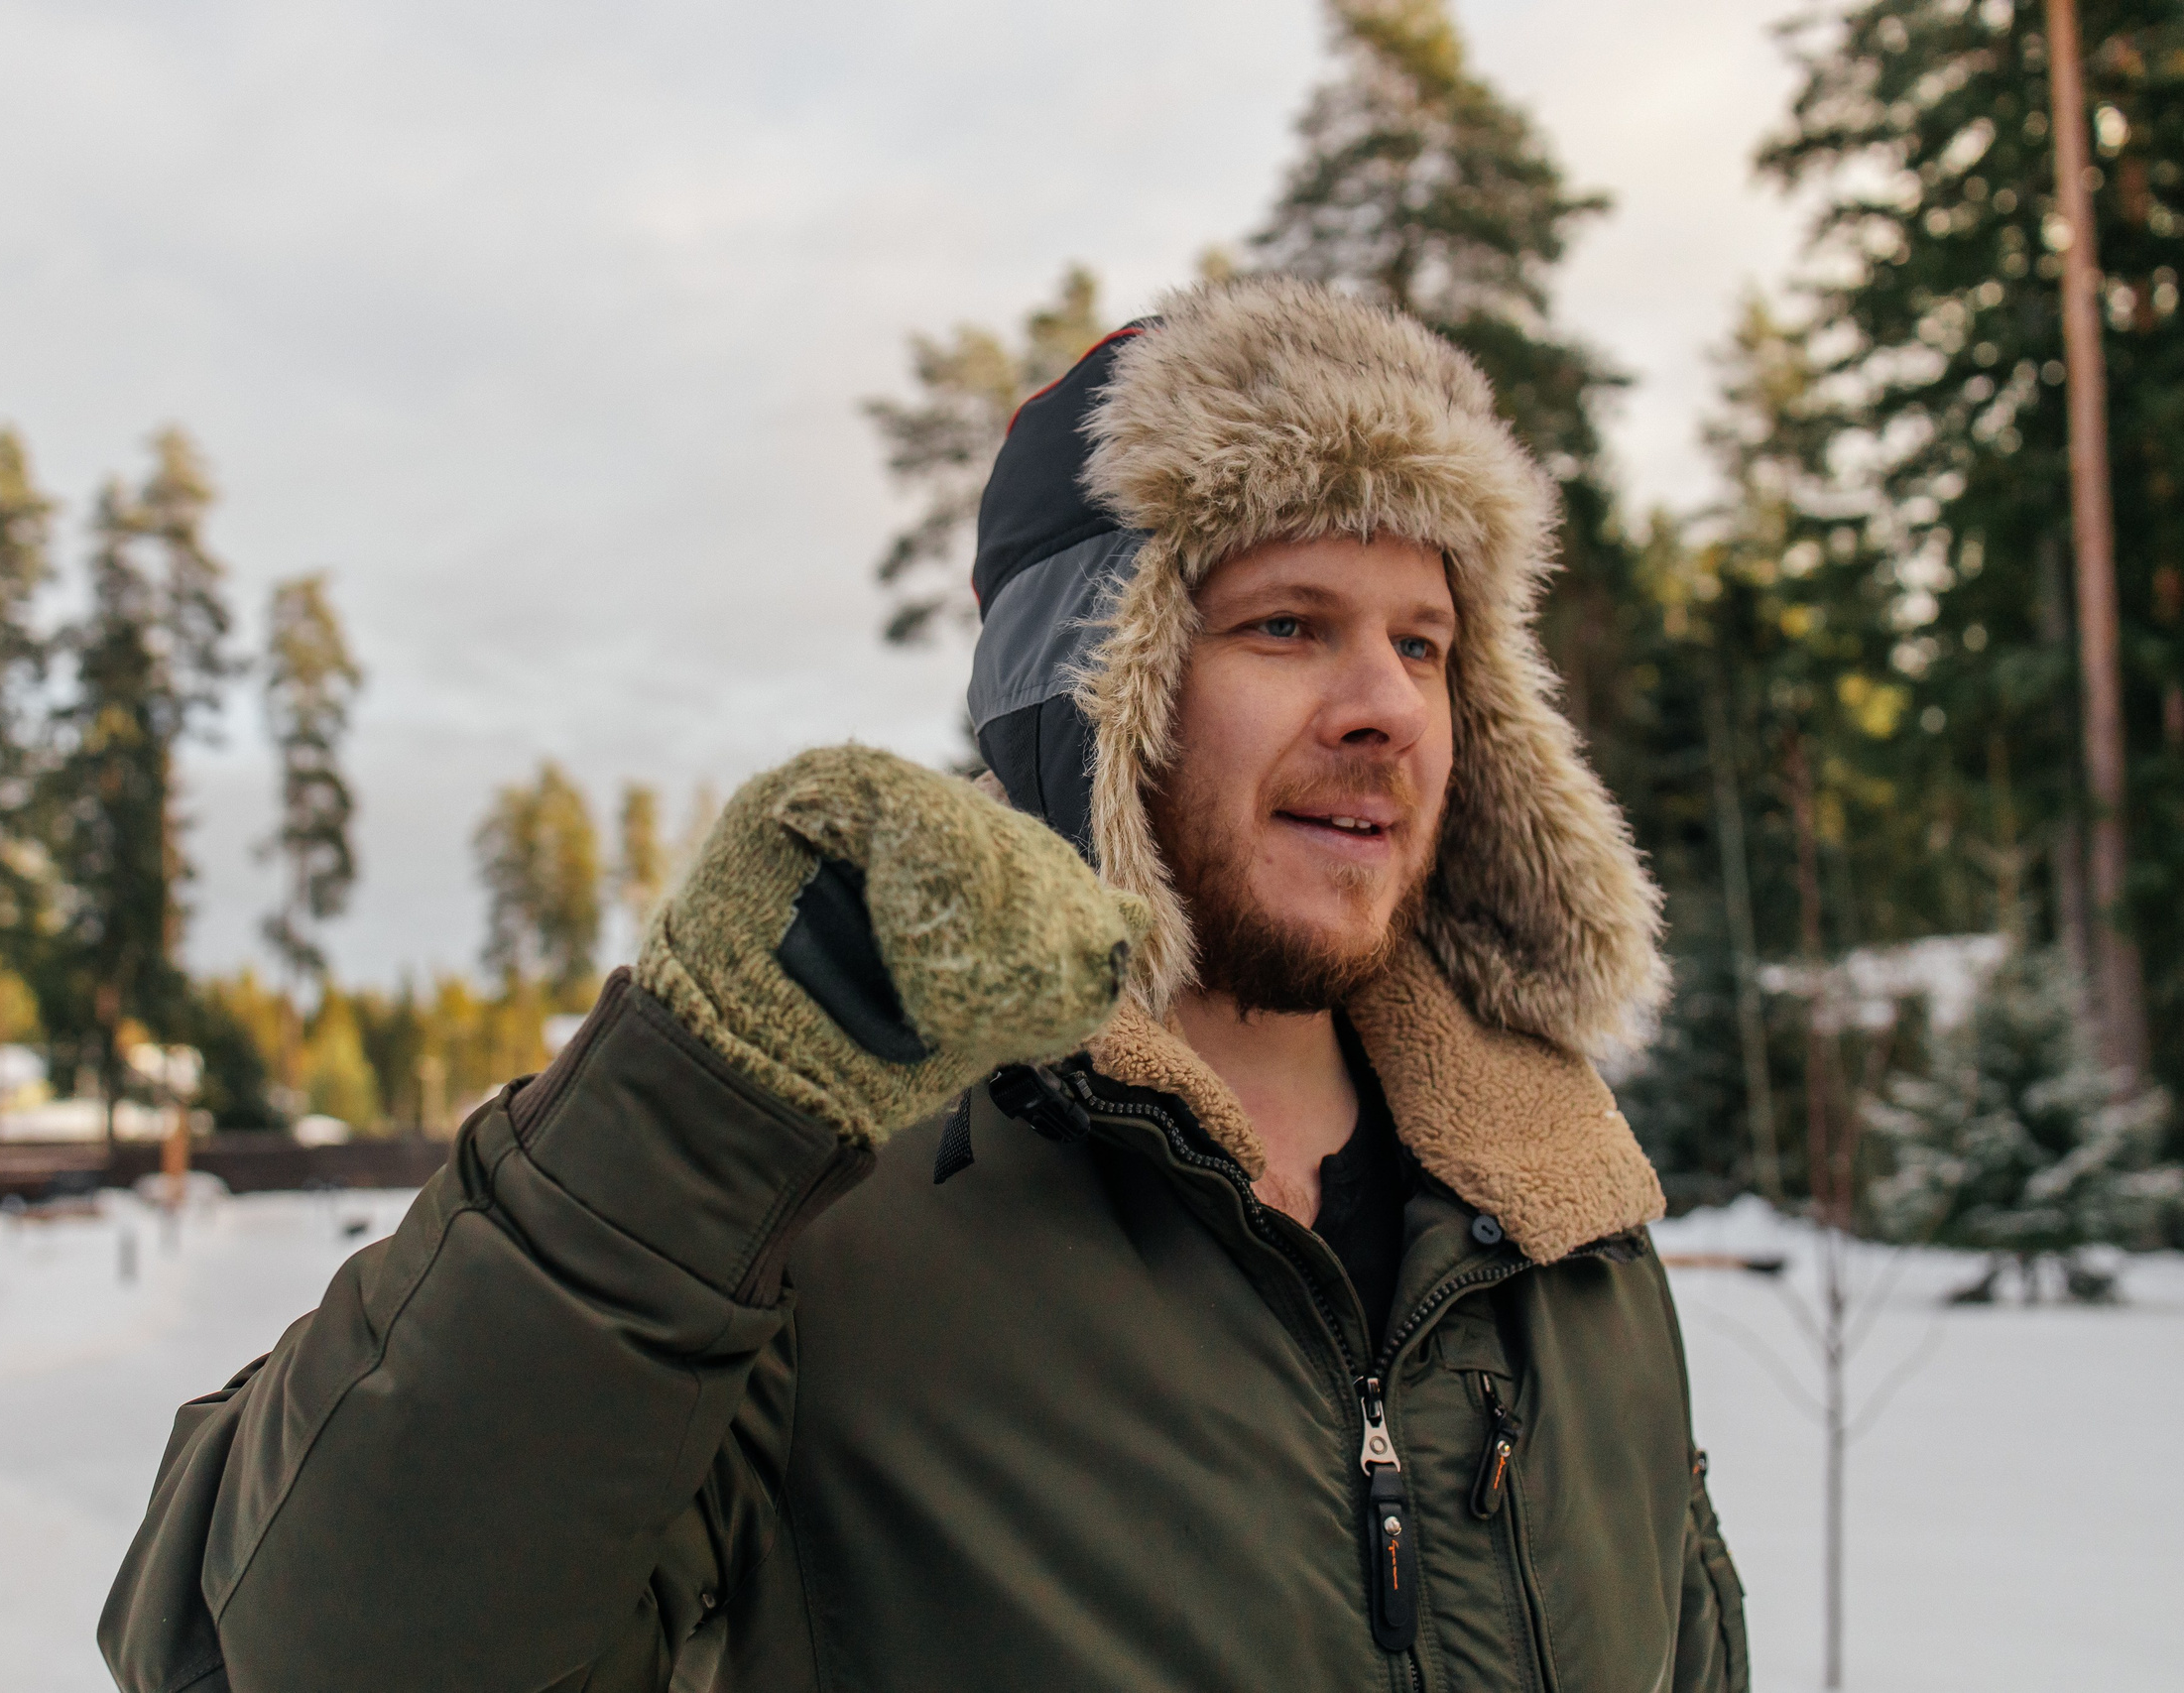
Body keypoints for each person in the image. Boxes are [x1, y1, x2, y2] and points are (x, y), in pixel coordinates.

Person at [101, 274, 1747, 1693]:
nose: (1385, 702)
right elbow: (282, 1653)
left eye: (1427, 642)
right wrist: (691, 1104)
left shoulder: (1558, 1213)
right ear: (1093, 695)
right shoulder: (819, 1217)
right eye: (1288, 625)